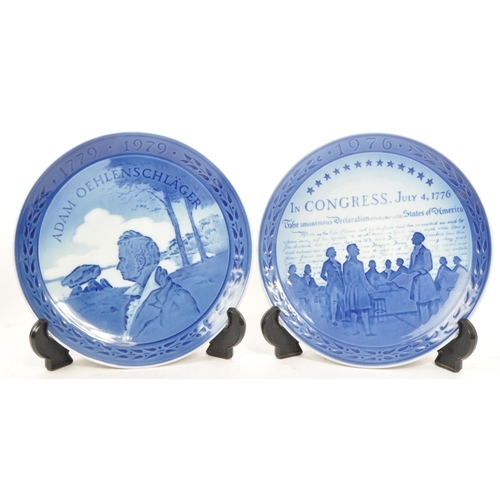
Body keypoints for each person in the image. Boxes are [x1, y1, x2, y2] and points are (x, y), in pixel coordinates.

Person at [117, 230, 199, 343]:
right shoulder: (135, 297)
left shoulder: (179, 300)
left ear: (140, 262)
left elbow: (190, 339)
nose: (118, 267)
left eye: (122, 260)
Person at [343, 244, 374, 336]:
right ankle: (353, 330)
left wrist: (369, 288)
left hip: (361, 289)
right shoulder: (346, 264)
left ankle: (367, 331)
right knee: (354, 311)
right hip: (351, 290)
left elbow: (363, 277)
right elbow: (345, 277)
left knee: (364, 310)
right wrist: (349, 287)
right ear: (349, 252)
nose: (354, 251)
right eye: (352, 250)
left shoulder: (360, 263)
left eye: (355, 249)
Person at [408, 232, 438, 324]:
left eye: (414, 238)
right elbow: (411, 267)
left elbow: (429, 266)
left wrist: (418, 272)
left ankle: (428, 322)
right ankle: (421, 321)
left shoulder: (426, 252)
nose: (412, 239)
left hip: (424, 280)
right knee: (418, 301)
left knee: (425, 302)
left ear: (419, 239)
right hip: (416, 280)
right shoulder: (413, 252)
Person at [320, 247, 344, 326]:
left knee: (341, 300)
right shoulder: (326, 263)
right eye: (333, 251)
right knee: (334, 301)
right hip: (332, 286)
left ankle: (342, 317)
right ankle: (333, 319)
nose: (335, 252)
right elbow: (322, 274)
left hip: (340, 285)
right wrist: (329, 281)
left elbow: (341, 274)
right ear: (329, 253)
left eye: (335, 251)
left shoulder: (339, 263)